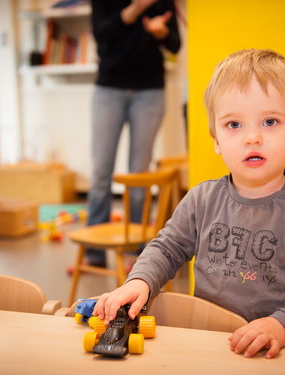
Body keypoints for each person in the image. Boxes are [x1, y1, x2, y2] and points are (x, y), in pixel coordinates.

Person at [92, 49, 285, 358]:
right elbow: (166, 248)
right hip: (206, 345)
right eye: (234, 125)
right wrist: (141, 280)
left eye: (270, 122)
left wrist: (282, 326)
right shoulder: (201, 200)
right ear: (215, 139)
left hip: (273, 353)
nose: (252, 137)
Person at [85, 0, 181, 266]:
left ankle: (137, 253)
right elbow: (101, 35)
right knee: (101, 172)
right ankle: (93, 251)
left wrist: (161, 33)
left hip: (150, 90)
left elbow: (175, 44)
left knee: (139, 173)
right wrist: (135, 9)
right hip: (109, 89)